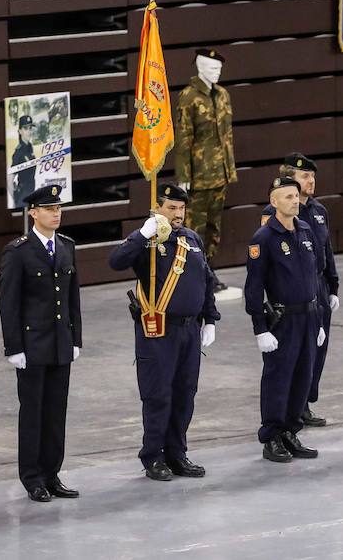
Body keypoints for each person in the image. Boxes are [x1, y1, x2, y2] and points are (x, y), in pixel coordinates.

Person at [109, 183, 219, 480]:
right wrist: (142, 234)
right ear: (157, 209)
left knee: (185, 394)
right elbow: (116, 261)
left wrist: (210, 318)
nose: (178, 214)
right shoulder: (147, 240)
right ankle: (153, 456)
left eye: (181, 208)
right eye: (171, 208)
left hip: (189, 331)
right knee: (158, 395)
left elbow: (206, 280)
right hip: (158, 331)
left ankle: (176, 453)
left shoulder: (191, 239)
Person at [0, 184, 82, 501]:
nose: (55, 214)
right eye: (49, 209)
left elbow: (72, 298)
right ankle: (32, 477)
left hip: (60, 344)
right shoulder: (18, 252)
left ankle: (51, 473)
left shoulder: (66, 246)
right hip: (32, 345)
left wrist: (76, 338)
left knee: (56, 413)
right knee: (33, 413)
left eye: (58, 208)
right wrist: (13, 347)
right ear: (33, 213)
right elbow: (9, 303)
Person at [245, 176, 323, 462]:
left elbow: (315, 274)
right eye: (288, 196)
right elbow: (254, 287)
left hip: (308, 317)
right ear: (274, 201)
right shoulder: (264, 238)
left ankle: (290, 430)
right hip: (283, 320)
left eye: (296, 196)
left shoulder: (305, 231)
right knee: (279, 378)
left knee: (303, 376)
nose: (295, 201)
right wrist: (260, 328)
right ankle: (272, 436)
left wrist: (319, 321)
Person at [261, 154, 339, 427]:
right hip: (290, 289)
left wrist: (333, 285)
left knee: (317, 349)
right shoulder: (274, 214)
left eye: (313, 176)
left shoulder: (319, 211)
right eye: (305, 176)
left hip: (318, 286)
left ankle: (304, 402)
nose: (311, 181)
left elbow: (327, 249)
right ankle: (289, 409)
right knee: (291, 353)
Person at [173, 48, 237, 292]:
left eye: (219, 68)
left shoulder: (223, 95)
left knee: (214, 227)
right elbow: (183, 137)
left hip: (220, 173)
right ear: (200, 68)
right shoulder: (188, 97)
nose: (216, 72)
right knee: (194, 227)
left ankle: (208, 270)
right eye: (212, 68)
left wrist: (229, 169)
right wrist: (183, 175)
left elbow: (227, 135)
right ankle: (193, 273)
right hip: (199, 176)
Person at [11, 114, 38, 205]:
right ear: (20, 131)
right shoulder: (18, 152)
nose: (29, 131)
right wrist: (15, 199)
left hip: (31, 192)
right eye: (25, 128)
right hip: (22, 195)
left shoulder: (29, 147)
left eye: (30, 128)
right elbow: (10, 178)